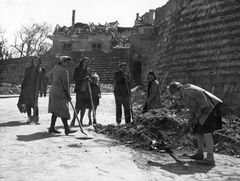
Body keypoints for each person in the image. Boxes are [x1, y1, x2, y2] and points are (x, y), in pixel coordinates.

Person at [168, 82, 223, 166]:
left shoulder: (185, 89)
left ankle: (210, 158)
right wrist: (188, 126)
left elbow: (199, 93)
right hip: (204, 112)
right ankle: (199, 154)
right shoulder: (183, 98)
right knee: (198, 130)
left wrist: (204, 106)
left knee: (207, 131)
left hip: (210, 109)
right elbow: (192, 112)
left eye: (173, 93)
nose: (174, 96)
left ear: (176, 90)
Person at [48, 56, 77, 135]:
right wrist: (68, 94)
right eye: (66, 62)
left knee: (55, 110)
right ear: (62, 62)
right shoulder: (64, 71)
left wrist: (55, 81)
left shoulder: (55, 68)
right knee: (63, 110)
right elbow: (65, 84)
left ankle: (51, 128)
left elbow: (49, 76)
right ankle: (67, 129)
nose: (67, 64)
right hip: (60, 92)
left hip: (53, 90)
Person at [17, 56, 47, 123]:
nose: (35, 62)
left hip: (35, 89)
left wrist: (41, 73)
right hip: (27, 88)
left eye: (37, 61)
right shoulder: (28, 69)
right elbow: (25, 78)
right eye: (34, 61)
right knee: (27, 103)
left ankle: (36, 118)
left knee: (34, 103)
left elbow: (44, 79)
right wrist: (22, 88)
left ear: (39, 62)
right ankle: (29, 117)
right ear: (32, 61)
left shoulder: (42, 69)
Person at [70, 57, 92, 126]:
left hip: (86, 89)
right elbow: (75, 78)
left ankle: (81, 120)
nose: (87, 64)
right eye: (85, 62)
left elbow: (90, 77)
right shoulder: (77, 69)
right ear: (82, 62)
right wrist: (83, 79)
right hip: (80, 89)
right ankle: (73, 119)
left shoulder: (88, 69)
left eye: (88, 62)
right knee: (78, 106)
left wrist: (90, 79)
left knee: (84, 106)